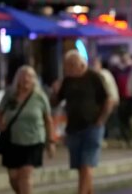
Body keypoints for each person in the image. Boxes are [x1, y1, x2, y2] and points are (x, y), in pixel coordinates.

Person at [50, 51, 111, 194]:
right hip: (74, 128)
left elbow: (108, 100)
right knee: (80, 167)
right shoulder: (67, 80)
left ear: (81, 64)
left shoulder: (94, 77)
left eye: (72, 65)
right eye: (67, 66)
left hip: (92, 126)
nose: (69, 68)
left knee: (86, 165)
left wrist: (101, 120)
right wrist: (55, 90)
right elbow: (55, 101)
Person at [0, 65, 56, 194]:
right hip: (12, 141)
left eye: (29, 77)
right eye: (23, 77)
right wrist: (0, 124)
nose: (26, 80)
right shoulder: (10, 95)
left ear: (34, 80)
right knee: (13, 178)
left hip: (34, 140)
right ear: (17, 79)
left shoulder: (40, 97)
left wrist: (50, 142)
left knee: (25, 175)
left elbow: (48, 120)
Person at [92, 58, 119, 144]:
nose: (93, 67)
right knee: (106, 120)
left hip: (110, 100)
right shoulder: (105, 73)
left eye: (95, 65)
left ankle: (101, 139)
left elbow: (105, 90)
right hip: (112, 99)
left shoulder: (102, 74)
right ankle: (103, 138)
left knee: (102, 120)